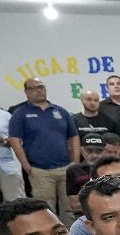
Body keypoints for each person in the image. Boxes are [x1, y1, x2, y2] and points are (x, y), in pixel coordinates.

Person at [8, 78, 81, 225]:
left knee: (71, 208)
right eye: (33, 88)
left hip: (66, 169)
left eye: (41, 87)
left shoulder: (60, 111)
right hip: (40, 170)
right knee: (45, 210)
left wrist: (75, 162)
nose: (38, 90)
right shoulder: (20, 113)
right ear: (26, 92)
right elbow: (14, 140)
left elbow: (73, 136)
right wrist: (26, 166)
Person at [66, 132, 113, 213]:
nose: (94, 155)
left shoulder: (113, 169)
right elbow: (73, 203)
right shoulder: (73, 170)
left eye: (99, 151)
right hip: (82, 215)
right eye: (89, 151)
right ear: (82, 151)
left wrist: (85, 199)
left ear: (105, 151)